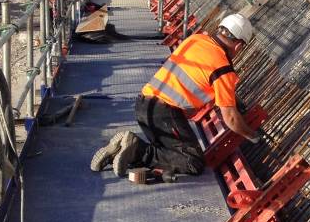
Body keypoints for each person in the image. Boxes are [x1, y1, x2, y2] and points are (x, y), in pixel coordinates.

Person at [91, 13, 257, 179]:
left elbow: (194, 79)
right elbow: (232, 120)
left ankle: (120, 150)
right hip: (164, 114)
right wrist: (252, 135)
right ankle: (137, 150)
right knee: (192, 162)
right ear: (238, 46)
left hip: (143, 105)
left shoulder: (196, 40)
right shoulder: (223, 69)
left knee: (170, 153)